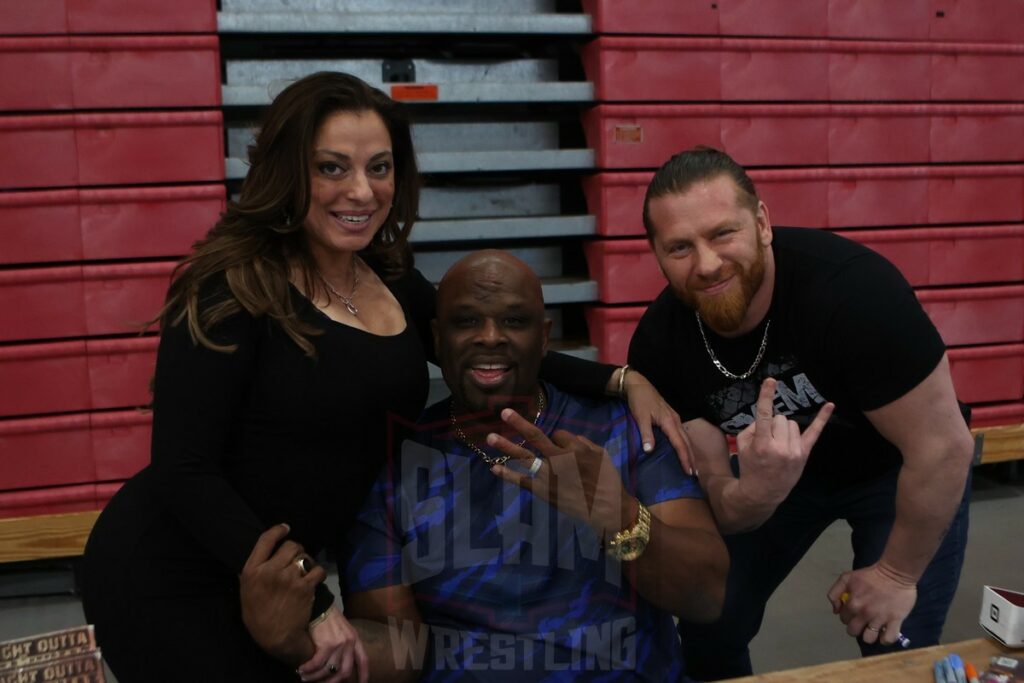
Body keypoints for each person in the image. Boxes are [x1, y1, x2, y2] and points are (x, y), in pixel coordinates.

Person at [78, 72, 684, 683]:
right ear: (289, 172)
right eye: (333, 168)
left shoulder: (386, 277)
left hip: (286, 580)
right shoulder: (232, 287)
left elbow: (491, 344)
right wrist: (313, 604)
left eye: (380, 167)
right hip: (176, 571)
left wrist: (620, 380)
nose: (362, 191)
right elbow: (185, 469)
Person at [246, 250, 729, 681]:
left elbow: (706, 598)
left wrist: (621, 518)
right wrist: (295, 643)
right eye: (466, 321)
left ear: (544, 337)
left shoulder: (621, 428)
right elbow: (402, 652)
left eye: (514, 321)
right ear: (438, 339)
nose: (490, 338)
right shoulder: (395, 466)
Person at [627, 147, 976, 680]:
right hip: (778, 471)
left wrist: (895, 574)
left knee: (893, 641)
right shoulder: (661, 343)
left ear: (762, 223)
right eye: (679, 247)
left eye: (723, 233)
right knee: (708, 617)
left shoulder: (854, 293)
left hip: (896, 469)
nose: (706, 264)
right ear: (655, 253)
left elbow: (943, 447)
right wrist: (757, 491)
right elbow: (721, 495)